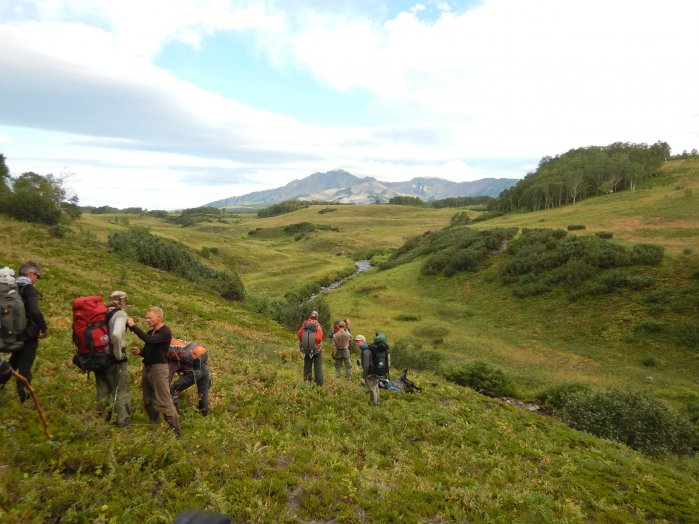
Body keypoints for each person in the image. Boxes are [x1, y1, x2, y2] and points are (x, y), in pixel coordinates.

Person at [127, 306, 181, 436]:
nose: (147, 320)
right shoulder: (151, 332)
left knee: (165, 402)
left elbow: (149, 340)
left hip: (159, 370)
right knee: (148, 400)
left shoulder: (165, 332)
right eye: (146, 317)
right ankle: (154, 425)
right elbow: (148, 350)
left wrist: (133, 327)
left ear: (159, 317)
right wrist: (140, 352)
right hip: (148, 368)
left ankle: (176, 433)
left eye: (149, 318)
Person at [0, 261, 47, 403]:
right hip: (28, 334)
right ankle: (24, 399)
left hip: (12, 333)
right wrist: (43, 327)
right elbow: (35, 311)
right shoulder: (29, 289)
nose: (36, 279)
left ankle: (1, 382)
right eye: (37, 276)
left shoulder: (11, 287)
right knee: (25, 367)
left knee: (13, 362)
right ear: (32, 274)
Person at [93, 291, 131, 427]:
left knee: (102, 391)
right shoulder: (120, 314)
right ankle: (122, 423)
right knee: (121, 391)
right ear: (122, 301)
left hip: (97, 358)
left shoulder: (100, 313)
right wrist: (119, 355)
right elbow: (116, 334)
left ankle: (101, 421)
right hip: (113, 360)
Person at [169, 341, 211, 416]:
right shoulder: (202, 353)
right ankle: (203, 413)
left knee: (174, 388)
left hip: (195, 373)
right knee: (203, 393)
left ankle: (174, 412)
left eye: (193, 353)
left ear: (196, 357)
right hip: (205, 370)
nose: (191, 351)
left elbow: (174, 361)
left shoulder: (185, 355)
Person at [298, 310, 324, 386]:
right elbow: (319, 338)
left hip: (306, 348)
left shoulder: (305, 323)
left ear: (310, 316)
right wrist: (316, 343)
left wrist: (304, 341)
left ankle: (307, 382)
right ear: (317, 317)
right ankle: (319, 384)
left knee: (307, 365)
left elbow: (299, 334)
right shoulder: (318, 325)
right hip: (316, 349)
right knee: (318, 367)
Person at [355, 334, 379, 405]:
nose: (356, 343)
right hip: (375, 371)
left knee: (372, 390)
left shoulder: (365, 352)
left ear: (363, 341)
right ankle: (377, 403)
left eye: (358, 341)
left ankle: (374, 405)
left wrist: (363, 377)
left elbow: (366, 366)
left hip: (370, 373)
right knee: (375, 388)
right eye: (356, 342)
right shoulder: (368, 349)